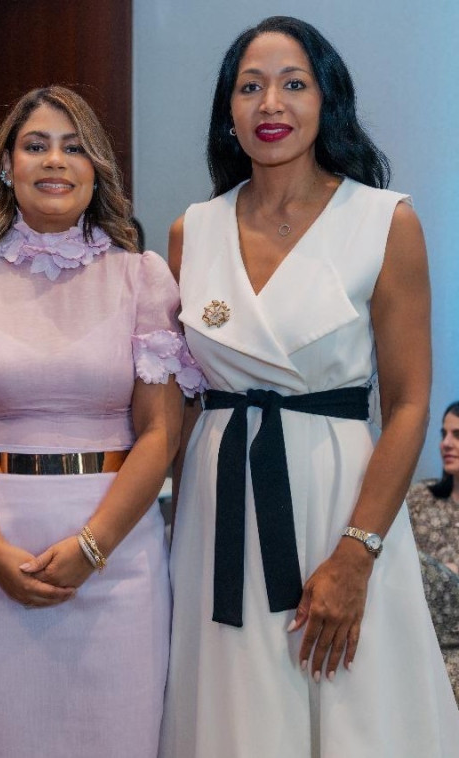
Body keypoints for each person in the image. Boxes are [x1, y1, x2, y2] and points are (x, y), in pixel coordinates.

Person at [159, 16, 459, 757]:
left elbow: (409, 404)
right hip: (219, 510)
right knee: (231, 708)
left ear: (328, 100)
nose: (271, 104)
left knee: (350, 705)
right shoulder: (192, 231)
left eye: (294, 84)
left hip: (339, 504)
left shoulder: (384, 221)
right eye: (250, 87)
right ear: (228, 111)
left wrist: (358, 552)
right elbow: (182, 399)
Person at [0, 85, 204, 757]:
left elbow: (160, 433)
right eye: (35, 145)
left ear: (96, 167)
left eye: (74, 148)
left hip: (116, 553)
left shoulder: (142, 278)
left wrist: (93, 547)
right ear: (6, 166)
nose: (54, 161)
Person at [408, 401, 459, 699]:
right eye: (444, 434)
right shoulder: (418, 499)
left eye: (457, 435)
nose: (446, 443)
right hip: (421, 637)